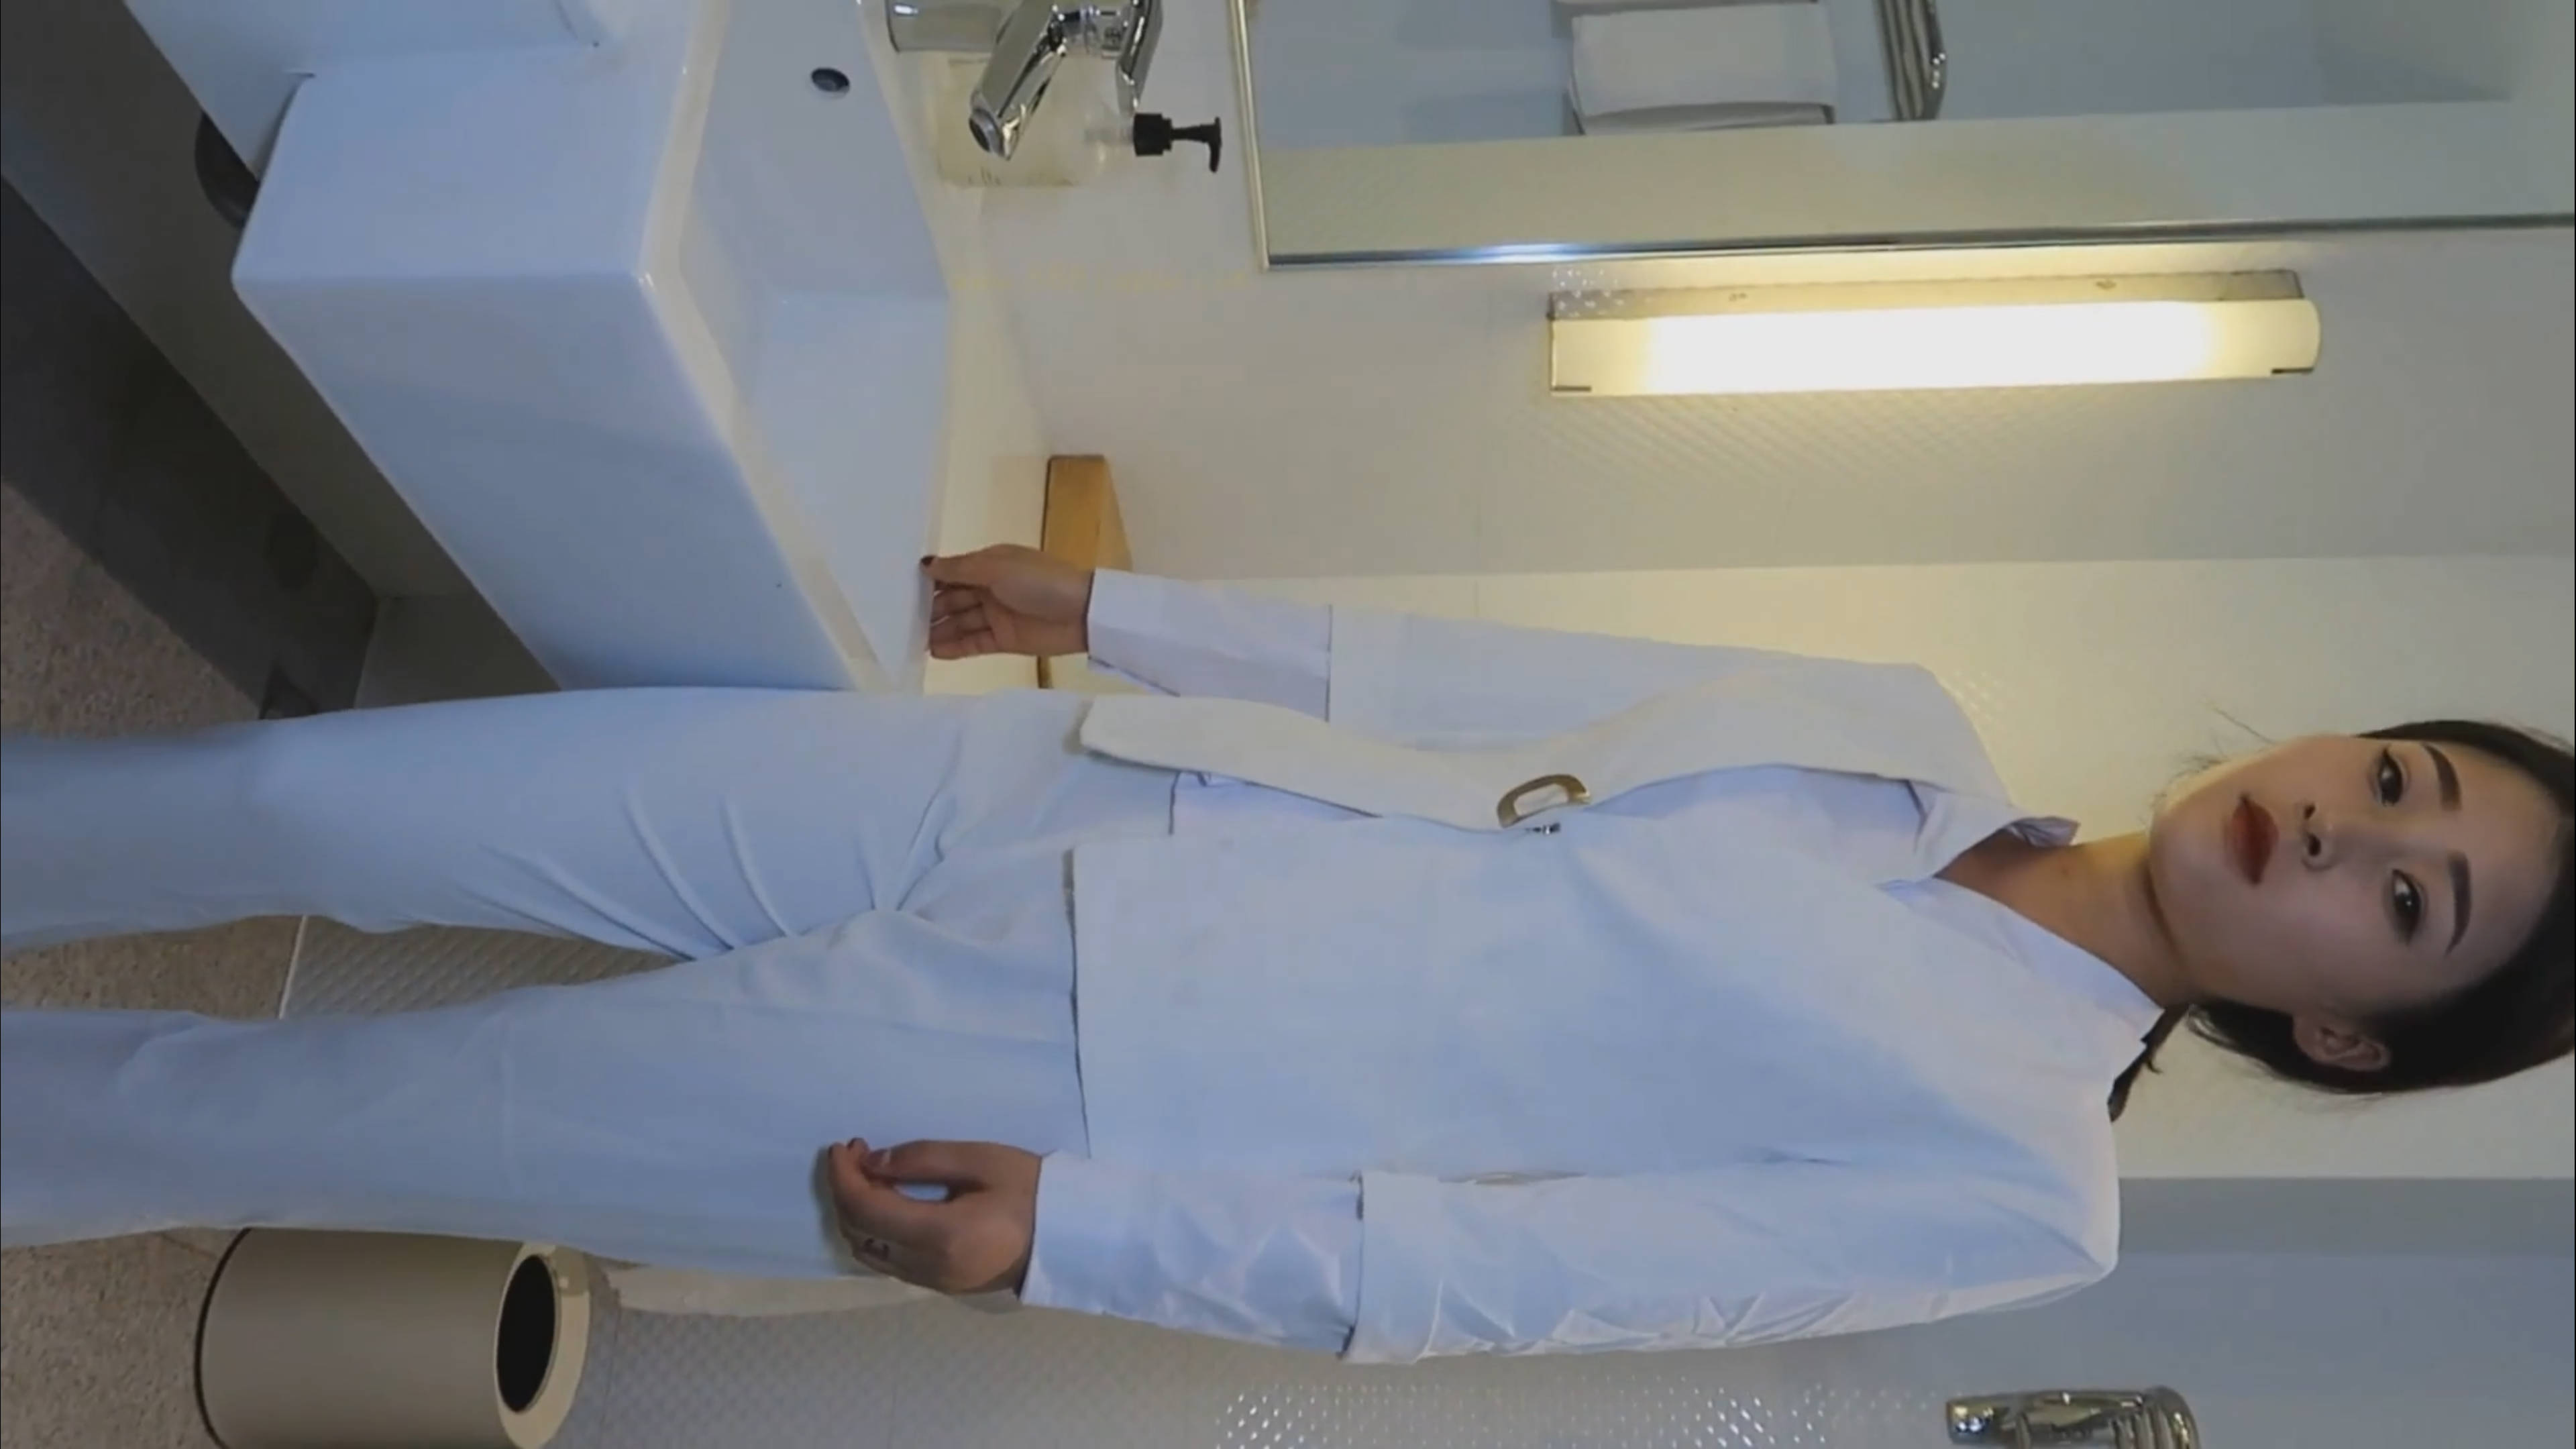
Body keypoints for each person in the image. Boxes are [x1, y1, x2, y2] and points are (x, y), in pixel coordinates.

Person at [3, 549, 2569, 1363]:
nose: (2344, 825)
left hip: (1081, 1074)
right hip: (1078, 786)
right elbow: (1471, 681)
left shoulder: (2023, 1185)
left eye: (2405, 897)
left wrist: (1085, 1242)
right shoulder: (1910, 730)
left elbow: (1517, 1279)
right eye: (2400, 779)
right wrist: (1123, 613)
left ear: (2351, 1031)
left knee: (315, 1121)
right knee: (323, 801)